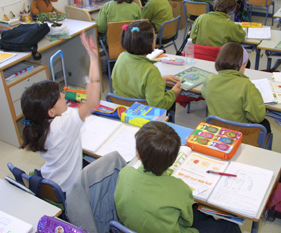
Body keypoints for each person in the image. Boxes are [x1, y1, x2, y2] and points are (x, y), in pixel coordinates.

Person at [114, 121, 241, 233]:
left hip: (131, 227)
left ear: (138, 154)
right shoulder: (180, 188)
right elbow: (187, 222)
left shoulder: (125, 173)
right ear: (173, 160)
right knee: (229, 225)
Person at [20, 31, 100, 193]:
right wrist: (93, 58)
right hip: (71, 190)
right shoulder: (62, 125)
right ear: (50, 112)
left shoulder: (37, 127)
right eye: (58, 96)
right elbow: (92, 101)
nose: (63, 95)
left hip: (51, 182)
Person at [112, 20, 182, 110]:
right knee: (170, 102)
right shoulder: (151, 70)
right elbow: (159, 105)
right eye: (154, 37)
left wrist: (159, 80)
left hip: (122, 109)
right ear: (148, 42)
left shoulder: (121, 57)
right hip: (142, 113)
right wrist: (173, 93)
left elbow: (133, 80)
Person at [201, 42, 271, 132]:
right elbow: (257, 117)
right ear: (244, 64)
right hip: (238, 133)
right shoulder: (247, 85)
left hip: (215, 129)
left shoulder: (209, 79)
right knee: (265, 124)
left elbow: (204, 94)